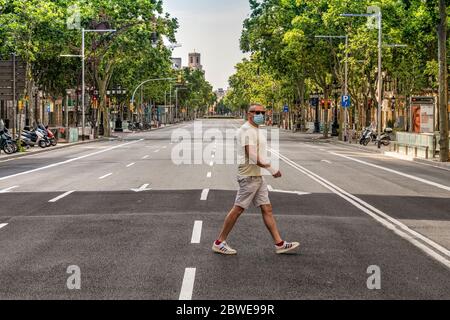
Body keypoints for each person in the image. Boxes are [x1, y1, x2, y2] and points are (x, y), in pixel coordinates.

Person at [212, 104, 300, 255]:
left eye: (262, 112)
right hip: (249, 176)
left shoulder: (255, 130)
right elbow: (252, 156)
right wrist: (272, 169)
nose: (261, 114)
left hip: (257, 176)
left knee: (267, 208)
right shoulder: (247, 131)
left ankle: (279, 243)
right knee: (238, 209)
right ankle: (219, 242)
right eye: (257, 112)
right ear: (249, 114)